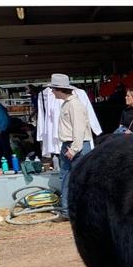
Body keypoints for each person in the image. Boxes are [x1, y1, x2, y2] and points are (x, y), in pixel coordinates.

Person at [47, 73, 93, 220]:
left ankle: (71, 211)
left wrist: (74, 149)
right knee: (69, 178)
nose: (52, 92)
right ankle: (69, 210)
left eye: (54, 89)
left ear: (60, 89)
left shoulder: (74, 105)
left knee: (74, 179)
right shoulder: (70, 104)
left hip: (75, 146)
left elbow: (79, 129)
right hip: (73, 145)